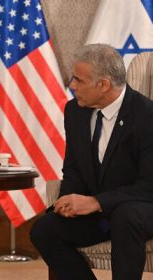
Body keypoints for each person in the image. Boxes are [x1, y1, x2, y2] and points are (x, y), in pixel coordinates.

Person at [30, 44, 153, 280]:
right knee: (44, 230)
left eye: (78, 80)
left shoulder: (146, 117)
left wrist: (96, 202)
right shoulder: (75, 111)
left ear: (104, 85)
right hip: (99, 211)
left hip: (141, 207)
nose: (72, 85)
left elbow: (148, 187)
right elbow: (75, 168)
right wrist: (67, 203)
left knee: (126, 216)